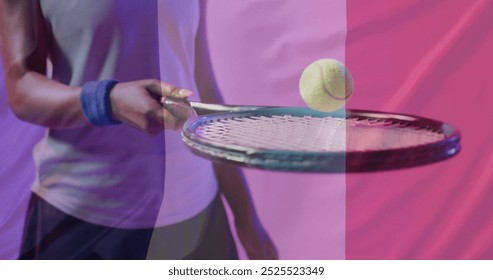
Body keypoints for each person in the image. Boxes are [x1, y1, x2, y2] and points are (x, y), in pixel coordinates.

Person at [0, 0, 277, 259]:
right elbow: (21, 87)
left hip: (197, 215)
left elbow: (201, 86)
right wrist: (108, 101)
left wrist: (246, 219)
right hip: (82, 216)